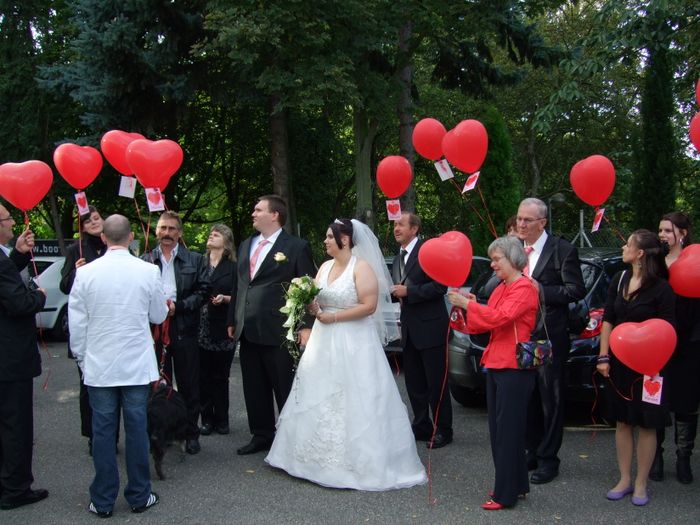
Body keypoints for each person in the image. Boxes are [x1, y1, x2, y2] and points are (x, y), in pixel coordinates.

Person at [265, 219, 426, 490]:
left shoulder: (361, 268)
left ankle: (360, 463)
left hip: (354, 341)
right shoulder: (325, 267)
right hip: (323, 340)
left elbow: (369, 305)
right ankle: (308, 460)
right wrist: (311, 304)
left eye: (330, 237)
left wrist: (334, 317)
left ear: (346, 240)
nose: (326, 241)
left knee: (355, 396)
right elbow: (317, 297)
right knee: (319, 393)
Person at [69, 215, 168, 517]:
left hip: (100, 364)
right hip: (135, 364)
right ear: (131, 237)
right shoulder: (149, 271)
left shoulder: (85, 274)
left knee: (103, 431)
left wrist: (83, 358)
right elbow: (158, 315)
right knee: (137, 429)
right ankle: (139, 495)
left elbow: (77, 322)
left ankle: (102, 500)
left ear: (103, 238)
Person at [448, 236, 539, 510]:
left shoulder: (524, 287)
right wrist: (473, 305)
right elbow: (487, 320)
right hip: (498, 362)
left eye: (497, 259)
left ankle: (505, 493)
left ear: (513, 259)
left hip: (514, 366)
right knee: (500, 429)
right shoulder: (502, 287)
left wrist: (469, 306)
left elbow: (501, 318)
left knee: (507, 431)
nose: (493, 264)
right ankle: (517, 484)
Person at [228, 195, 316, 455]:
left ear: (275, 214)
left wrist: (305, 325)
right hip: (248, 328)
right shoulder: (246, 244)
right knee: (254, 386)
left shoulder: (296, 247)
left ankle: (291, 436)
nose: (253, 214)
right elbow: (239, 285)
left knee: (284, 385)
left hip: (279, 329)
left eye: (258, 209)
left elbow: (307, 286)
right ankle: (262, 434)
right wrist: (232, 318)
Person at [596, 229, 675, 506]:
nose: (623, 247)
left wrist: (656, 362)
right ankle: (624, 478)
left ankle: (641, 482)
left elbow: (668, 328)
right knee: (623, 421)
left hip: (651, 368)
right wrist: (603, 356)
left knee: (647, 423)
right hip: (620, 364)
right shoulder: (619, 279)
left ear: (640, 253)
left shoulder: (662, 288)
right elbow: (608, 318)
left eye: (628, 244)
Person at [516, 197, 585, 484]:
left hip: (549, 335)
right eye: (519, 218)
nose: (521, 224)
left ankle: (548, 459)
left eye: (527, 220)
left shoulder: (562, 249)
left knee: (550, 399)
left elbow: (575, 290)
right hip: (520, 335)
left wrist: (541, 290)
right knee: (528, 397)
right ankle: (531, 450)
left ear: (542, 222)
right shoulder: (514, 249)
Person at [142, 210, 210, 455]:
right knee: (157, 386)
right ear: (157, 231)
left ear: (179, 233)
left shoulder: (195, 260)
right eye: (163, 228)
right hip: (155, 332)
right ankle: (160, 433)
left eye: (172, 229)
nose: (167, 233)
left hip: (184, 331)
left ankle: (190, 433)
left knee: (190, 385)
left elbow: (203, 292)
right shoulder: (146, 259)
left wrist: (177, 307)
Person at [0, 204, 49, 511]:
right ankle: (16, 488)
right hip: (9, 359)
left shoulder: (4, 258)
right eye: (7, 219)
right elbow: (17, 303)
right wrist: (40, 296)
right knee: (16, 426)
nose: (12, 223)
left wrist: (17, 254)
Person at [391, 211, 452, 448]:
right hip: (408, 330)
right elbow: (399, 289)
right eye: (395, 225)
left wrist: (410, 293)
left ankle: (443, 429)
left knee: (436, 383)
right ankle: (421, 426)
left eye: (400, 225)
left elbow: (440, 287)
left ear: (414, 229)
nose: (396, 228)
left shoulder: (429, 252)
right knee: (414, 383)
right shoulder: (398, 259)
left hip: (431, 328)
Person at [59, 206, 112, 455]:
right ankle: (93, 436)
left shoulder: (113, 246)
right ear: (81, 226)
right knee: (88, 385)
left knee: (113, 385)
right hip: (87, 327)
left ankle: (111, 434)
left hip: (110, 325)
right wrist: (76, 272)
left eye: (97, 217)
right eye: (88, 220)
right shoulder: (75, 250)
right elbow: (65, 285)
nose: (93, 222)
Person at [652, 212, 700, 483]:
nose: (662, 235)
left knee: (686, 403)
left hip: (689, 343)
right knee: (657, 400)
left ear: (682, 233)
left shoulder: (695, 261)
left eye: (668, 230)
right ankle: (655, 456)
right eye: (660, 230)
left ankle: (684, 457)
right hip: (658, 343)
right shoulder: (656, 264)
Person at [198, 224, 237, 436]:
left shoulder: (233, 267)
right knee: (202, 375)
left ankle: (222, 419)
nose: (211, 235)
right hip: (200, 326)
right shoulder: (199, 262)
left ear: (227, 240)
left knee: (220, 376)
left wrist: (226, 299)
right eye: (210, 233)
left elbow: (240, 297)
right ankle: (206, 419)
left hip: (223, 326)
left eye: (217, 233)